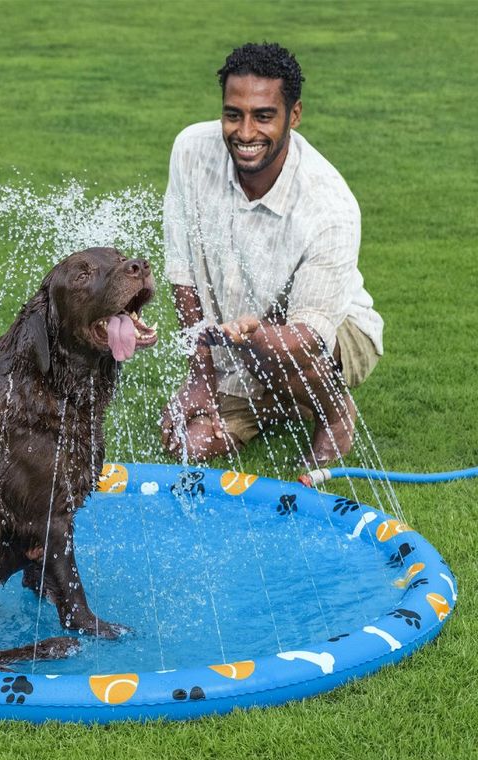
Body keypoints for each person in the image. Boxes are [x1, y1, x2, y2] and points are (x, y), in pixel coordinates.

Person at [160, 42, 383, 467]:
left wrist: (260, 337)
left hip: (337, 333)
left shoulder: (329, 205)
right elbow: (183, 271)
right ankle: (279, 401)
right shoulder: (191, 150)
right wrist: (201, 376)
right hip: (238, 341)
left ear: (293, 115)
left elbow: (313, 332)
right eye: (233, 114)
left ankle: (335, 415)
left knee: (276, 351)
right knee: (187, 442)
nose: (245, 133)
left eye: (263, 116)